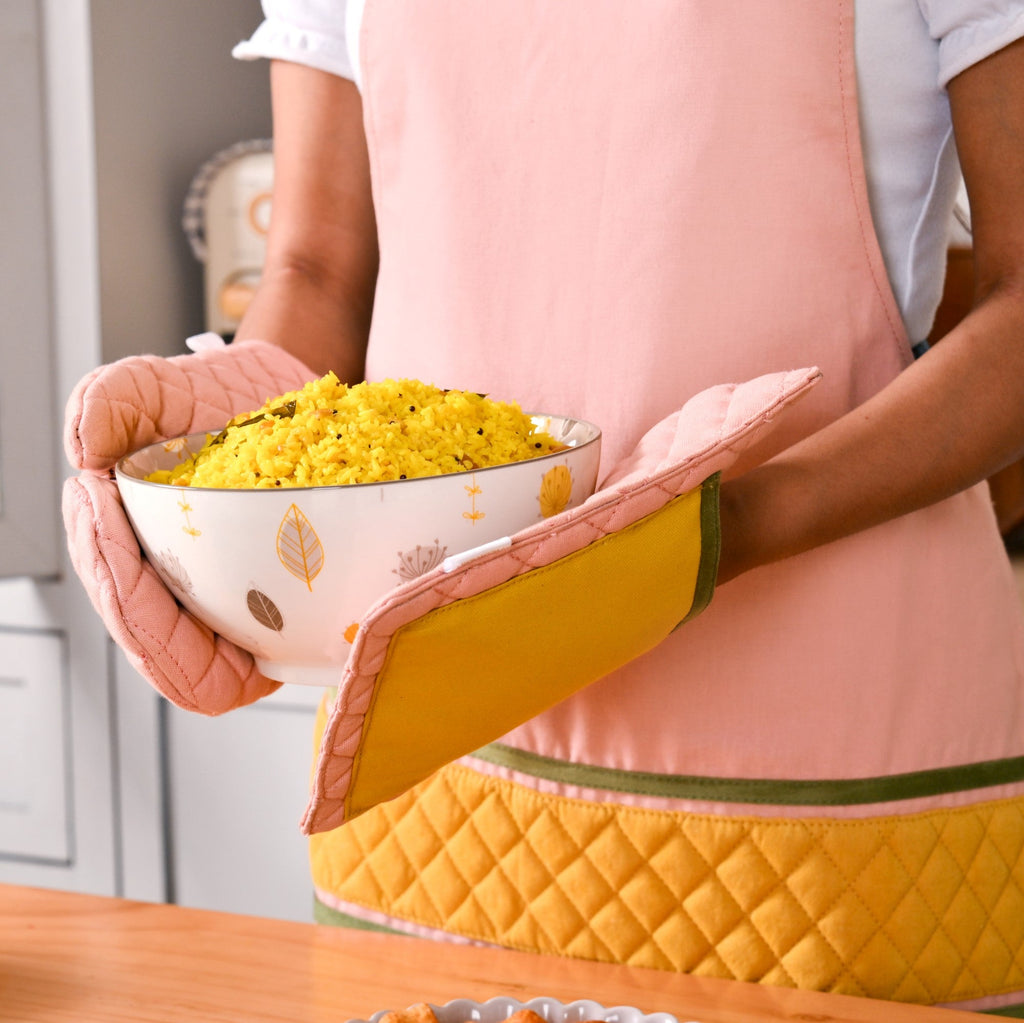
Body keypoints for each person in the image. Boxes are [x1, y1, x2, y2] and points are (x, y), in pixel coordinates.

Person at [63, 0, 1024, 1011]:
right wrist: (214, 475)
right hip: (436, 767)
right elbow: (317, 269)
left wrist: (717, 531)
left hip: (827, 785)